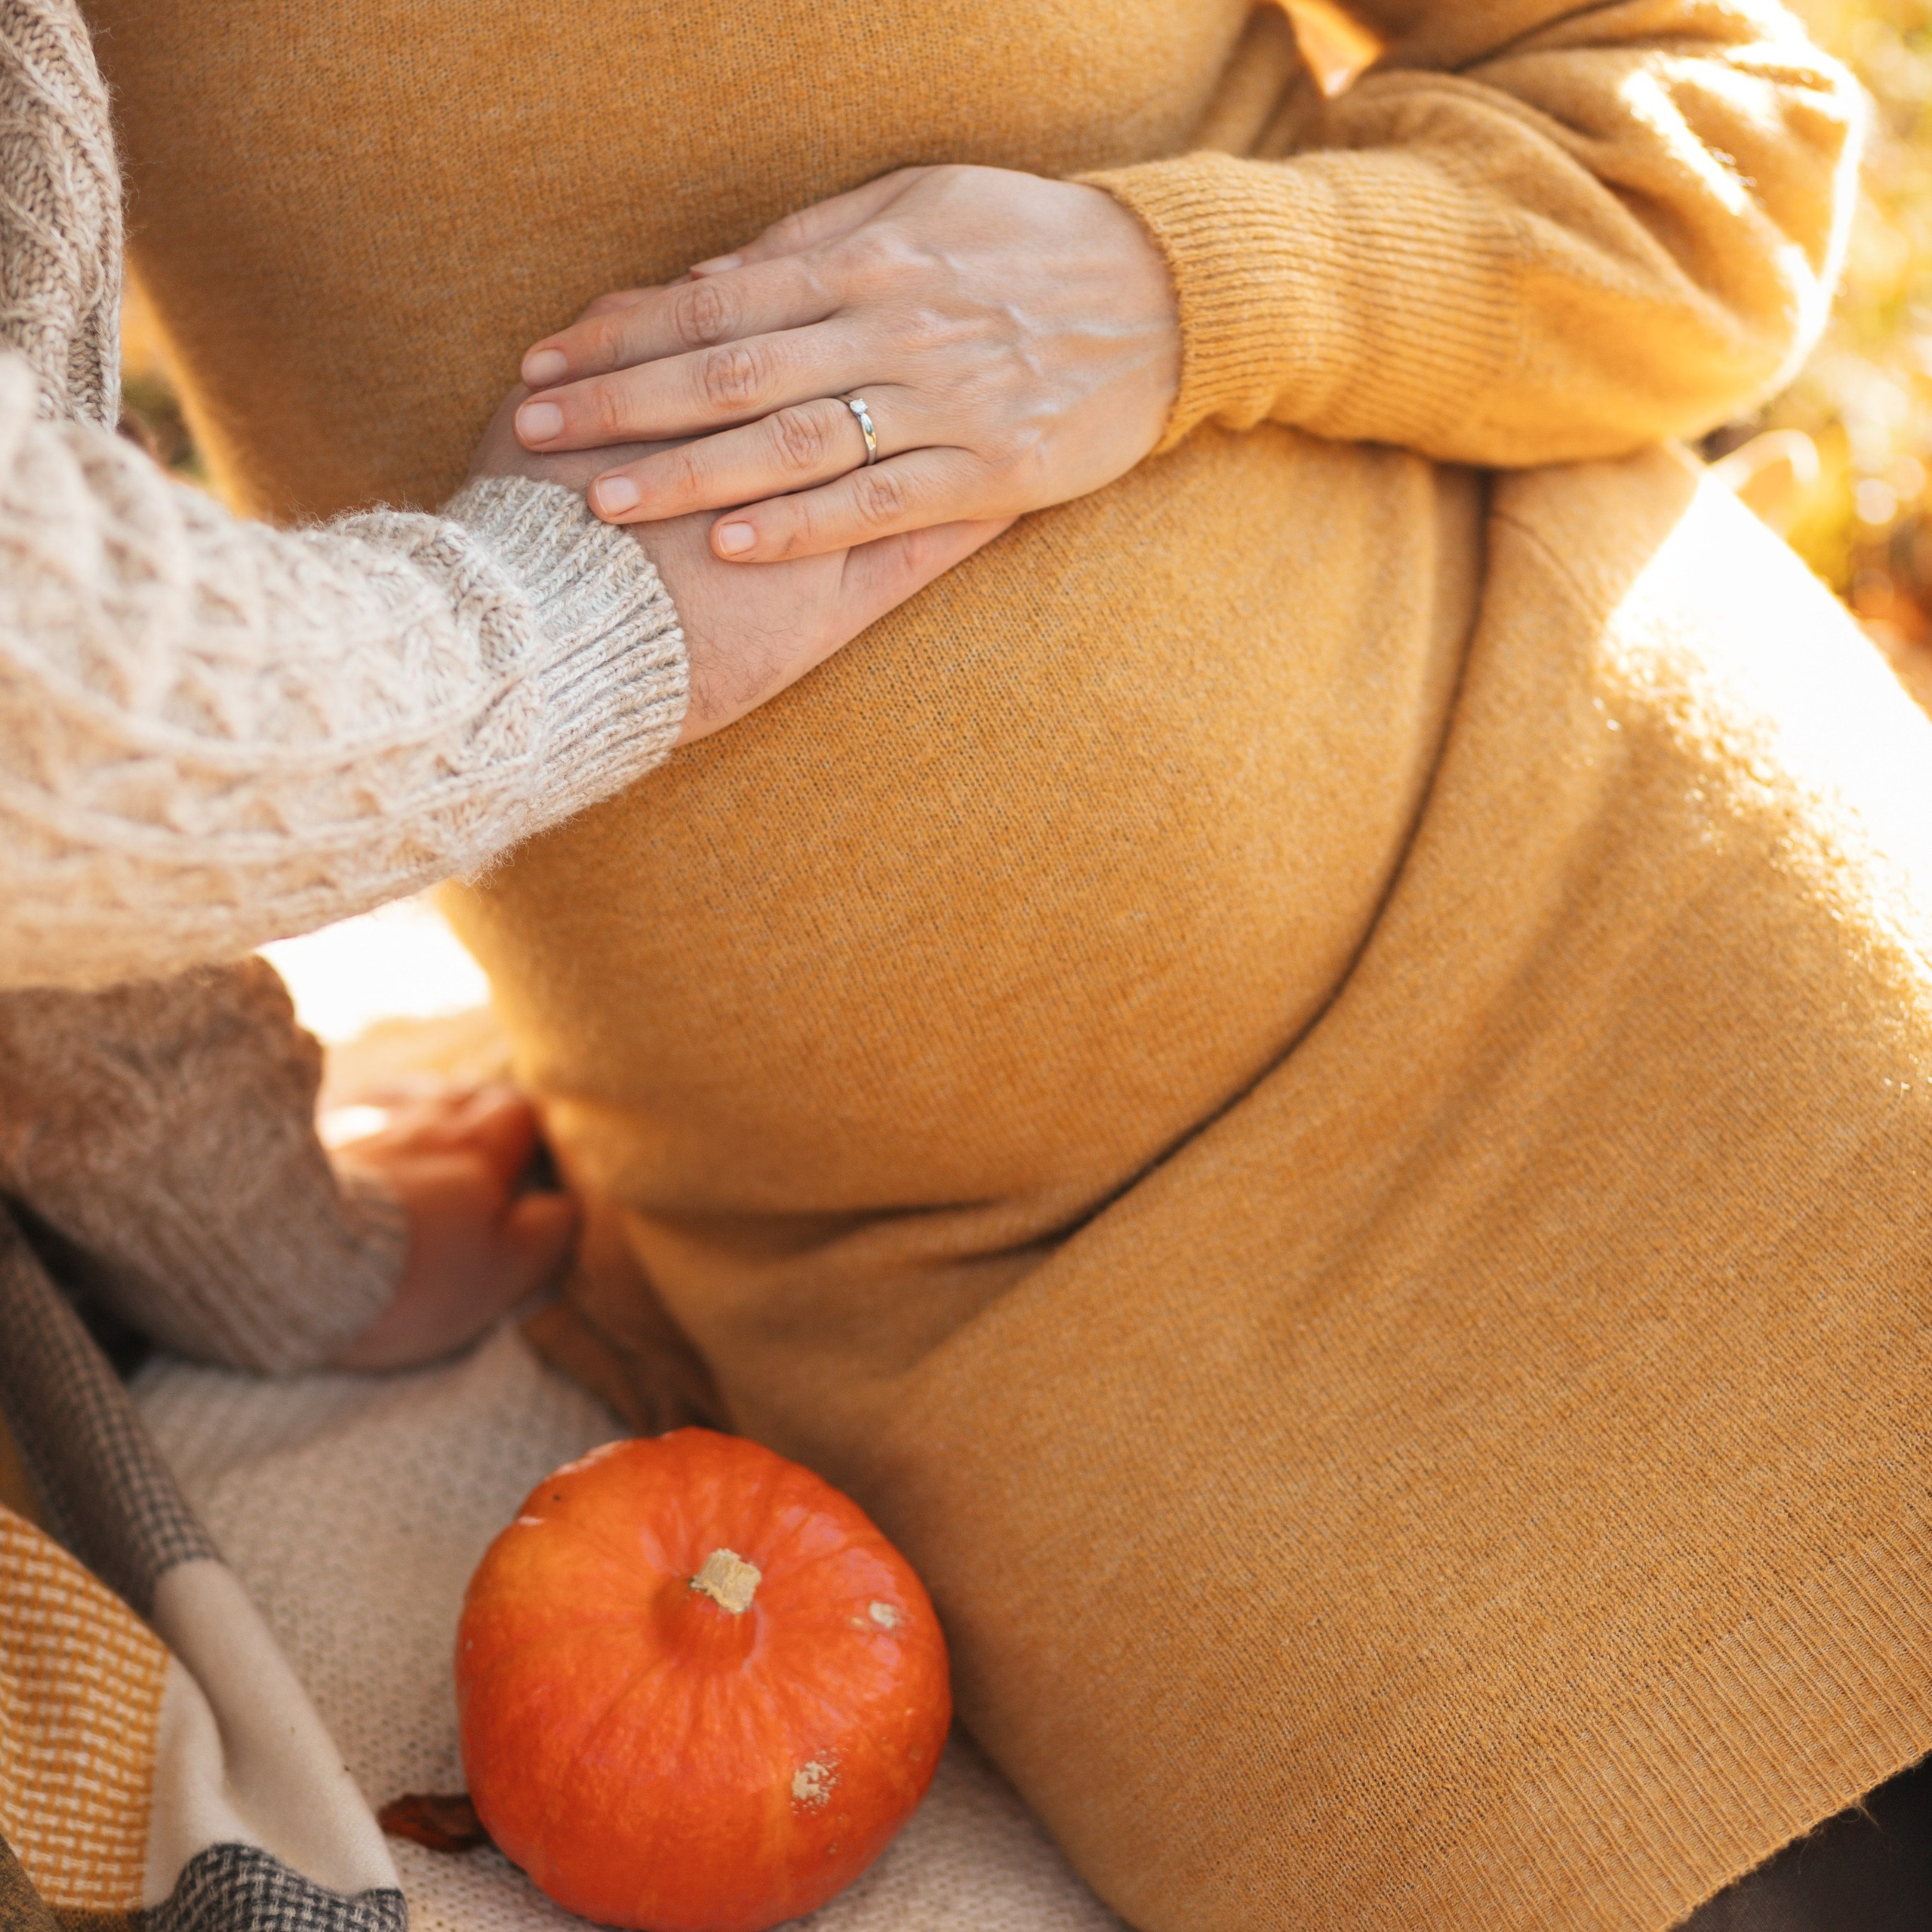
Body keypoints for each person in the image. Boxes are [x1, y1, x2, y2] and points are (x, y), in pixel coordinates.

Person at [30, 0, 1932, 1926]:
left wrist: (1182, 289)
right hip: (972, 1303)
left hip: (1611, 879)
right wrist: (231, 1212)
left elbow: (1708, 139)